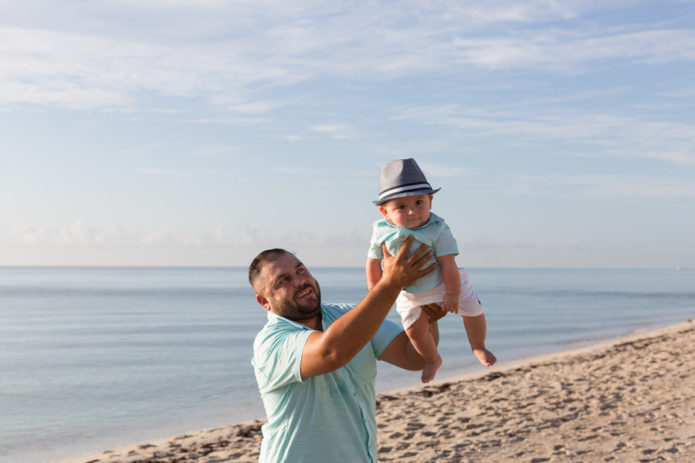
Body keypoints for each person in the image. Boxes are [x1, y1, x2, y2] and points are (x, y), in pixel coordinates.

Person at [249, 237, 444, 463]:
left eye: (301, 271)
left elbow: (414, 357)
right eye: (283, 280)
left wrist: (424, 311)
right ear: (264, 302)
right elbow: (331, 352)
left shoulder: (349, 315)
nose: (300, 281)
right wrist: (390, 283)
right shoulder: (271, 343)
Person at [366, 158, 496, 383]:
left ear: (431, 201)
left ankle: (478, 345)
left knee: (473, 309)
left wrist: (453, 293)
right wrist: (375, 293)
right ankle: (432, 359)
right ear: (384, 212)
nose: (412, 212)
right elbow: (372, 263)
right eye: (401, 207)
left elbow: (448, 263)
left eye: (419, 202)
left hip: (445, 282)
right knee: (414, 330)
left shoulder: (438, 229)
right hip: (409, 292)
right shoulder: (380, 232)